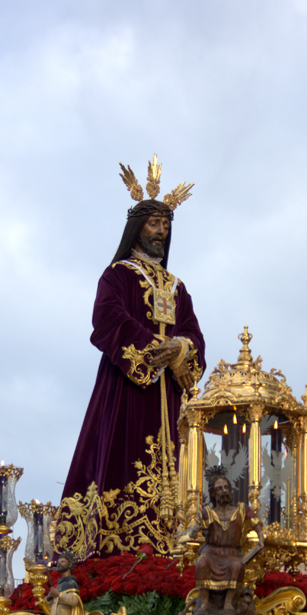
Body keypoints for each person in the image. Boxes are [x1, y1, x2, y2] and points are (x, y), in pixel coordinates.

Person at [55, 157, 205, 561]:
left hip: (170, 398)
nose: (161, 231)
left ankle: (175, 548)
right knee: (122, 462)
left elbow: (194, 334)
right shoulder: (117, 275)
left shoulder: (178, 287)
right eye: (154, 223)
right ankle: (115, 549)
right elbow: (107, 319)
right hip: (127, 390)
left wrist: (180, 349)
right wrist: (151, 348)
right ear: (138, 228)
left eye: (166, 225)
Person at [177, 467, 265, 615]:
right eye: (219, 488)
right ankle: (205, 602)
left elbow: (258, 525)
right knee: (202, 562)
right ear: (213, 493)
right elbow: (195, 529)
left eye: (226, 487)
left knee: (237, 565)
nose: (223, 491)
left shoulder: (241, 510)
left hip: (231, 552)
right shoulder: (207, 513)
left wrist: (261, 540)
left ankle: (228, 602)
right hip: (212, 552)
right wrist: (194, 532)